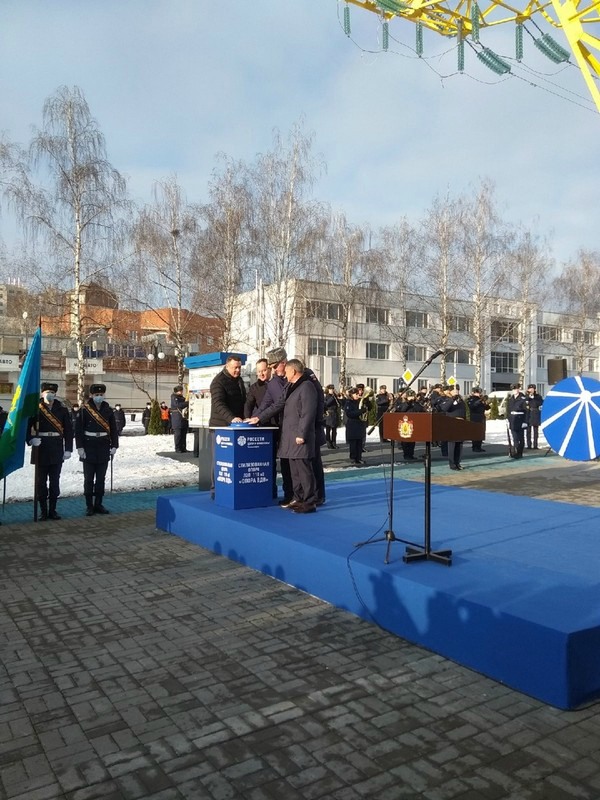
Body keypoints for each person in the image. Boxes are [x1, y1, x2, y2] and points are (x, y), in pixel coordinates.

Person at [26, 381, 73, 520]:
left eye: (52, 392)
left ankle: (53, 510)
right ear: (42, 393)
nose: (50, 395)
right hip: (40, 448)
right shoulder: (35, 408)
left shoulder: (62, 409)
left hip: (56, 448)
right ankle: (43, 511)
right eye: (47, 392)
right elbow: (26, 428)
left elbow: (68, 430)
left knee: (54, 482)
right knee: (41, 482)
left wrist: (68, 449)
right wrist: (30, 440)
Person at [278, 358, 318, 513]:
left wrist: (302, 433)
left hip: (300, 437)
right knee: (295, 470)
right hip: (290, 436)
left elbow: (308, 412)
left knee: (304, 470)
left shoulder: (306, 386)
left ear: (293, 371)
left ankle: (309, 501)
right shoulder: (291, 387)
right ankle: (298, 497)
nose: (284, 374)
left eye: (286, 371)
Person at [75, 383, 118, 515]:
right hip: (89, 447)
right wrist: (80, 447)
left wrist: (114, 445)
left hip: (103, 446)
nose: (99, 397)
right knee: (88, 479)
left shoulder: (108, 410)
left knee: (100, 479)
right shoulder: (84, 410)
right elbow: (78, 430)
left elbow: (113, 429)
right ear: (91, 395)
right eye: (96, 395)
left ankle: (98, 504)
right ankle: (89, 505)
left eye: (101, 394)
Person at [393, 389, 425, 461]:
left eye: (412, 396)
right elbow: (401, 410)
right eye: (410, 396)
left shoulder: (416, 404)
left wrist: (413, 403)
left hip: (413, 423)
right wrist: (408, 403)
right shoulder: (403, 403)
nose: (411, 398)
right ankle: (406, 455)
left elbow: (421, 409)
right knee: (405, 440)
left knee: (412, 441)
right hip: (405, 424)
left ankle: (411, 454)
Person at [439, 384, 466, 470]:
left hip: (461, 423)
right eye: (454, 390)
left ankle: (458, 462)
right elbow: (444, 408)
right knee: (452, 444)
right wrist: (452, 399)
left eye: (457, 389)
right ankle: (452, 464)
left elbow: (463, 411)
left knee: (459, 444)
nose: (456, 391)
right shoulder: (447, 399)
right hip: (452, 424)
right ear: (450, 391)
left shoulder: (460, 400)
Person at [344, 387, 366, 466]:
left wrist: (366, 402)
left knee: (359, 442)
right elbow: (349, 414)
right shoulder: (348, 402)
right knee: (353, 443)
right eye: (355, 394)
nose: (357, 395)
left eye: (357, 394)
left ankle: (359, 458)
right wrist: (360, 411)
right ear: (351, 395)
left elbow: (368, 408)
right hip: (352, 425)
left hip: (359, 424)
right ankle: (353, 458)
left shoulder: (360, 402)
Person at [507, 383, 528, 458]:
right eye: (513, 389)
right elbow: (508, 410)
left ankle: (520, 452)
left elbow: (527, 411)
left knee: (520, 438)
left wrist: (525, 421)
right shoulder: (511, 399)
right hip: (513, 420)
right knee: (515, 438)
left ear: (519, 389)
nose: (514, 390)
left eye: (516, 389)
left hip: (520, 419)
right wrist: (508, 419)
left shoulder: (523, 399)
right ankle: (515, 451)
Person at [467, 387, 490, 452]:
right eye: (477, 392)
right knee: (475, 432)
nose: (479, 394)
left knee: (481, 432)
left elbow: (487, 408)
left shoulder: (480, 399)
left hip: (481, 417)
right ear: (474, 393)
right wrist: (480, 401)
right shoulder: (471, 399)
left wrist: (485, 402)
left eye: (479, 392)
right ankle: (474, 446)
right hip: (475, 417)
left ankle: (479, 446)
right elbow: (472, 406)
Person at [170, 386, 189, 453]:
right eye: (180, 391)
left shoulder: (182, 398)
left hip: (183, 418)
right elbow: (178, 405)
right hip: (177, 418)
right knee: (178, 434)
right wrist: (187, 403)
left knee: (183, 434)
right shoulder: (174, 397)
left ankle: (183, 447)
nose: (181, 392)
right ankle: (178, 448)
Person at [525, 384, 544, 449]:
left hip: (535, 413)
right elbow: (524, 403)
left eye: (532, 389)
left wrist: (534, 398)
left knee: (535, 431)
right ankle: (529, 445)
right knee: (528, 431)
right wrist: (528, 397)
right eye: (530, 389)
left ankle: (535, 445)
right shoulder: (526, 396)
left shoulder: (538, 396)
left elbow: (540, 403)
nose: (531, 390)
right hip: (528, 414)